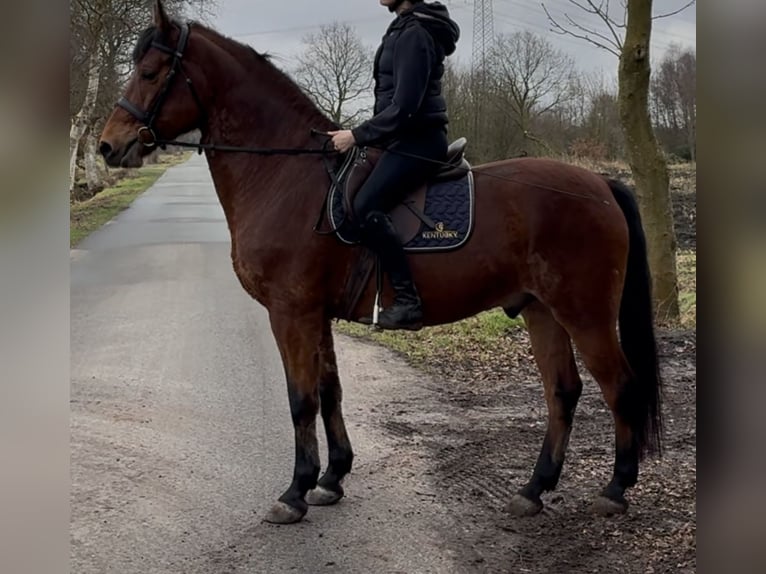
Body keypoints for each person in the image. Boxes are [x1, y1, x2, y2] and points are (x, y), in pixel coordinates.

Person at [329, 0, 460, 331]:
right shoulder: (403, 26)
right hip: (399, 139)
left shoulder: (415, 33)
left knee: (365, 206)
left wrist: (357, 135)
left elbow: (405, 108)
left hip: (418, 142)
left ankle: (407, 301)